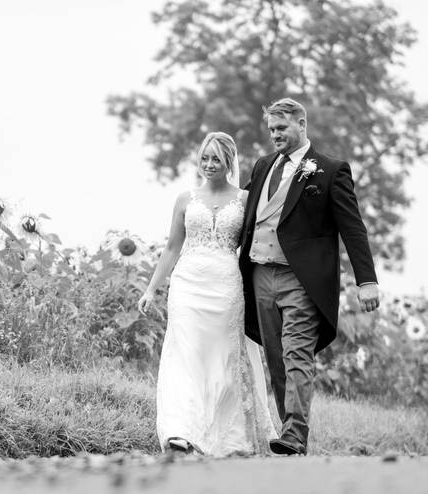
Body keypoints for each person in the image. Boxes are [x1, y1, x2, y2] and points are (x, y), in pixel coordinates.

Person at [239, 98, 380, 456]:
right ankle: (291, 430)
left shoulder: (330, 171)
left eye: (281, 128)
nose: (275, 135)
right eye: (271, 129)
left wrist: (367, 280)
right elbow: (242, 211)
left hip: (301, 281)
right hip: (260, 274)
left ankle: (295, 434)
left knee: (296, 354)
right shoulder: (262, 166)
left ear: (302, 124)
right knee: (275, 358)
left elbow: (353, 228)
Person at [138, 132, 276, 457]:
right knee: (184, 356)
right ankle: (179, 431)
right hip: (187, 285)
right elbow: (172, 247)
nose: (209, 164)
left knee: (222, 358)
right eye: (205, 158)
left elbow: (257, 246)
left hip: (226, 286)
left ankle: (226, 437)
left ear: (229, 162)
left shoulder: (244, 200)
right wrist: (150, 289)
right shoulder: (185, 199)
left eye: (216, 158)